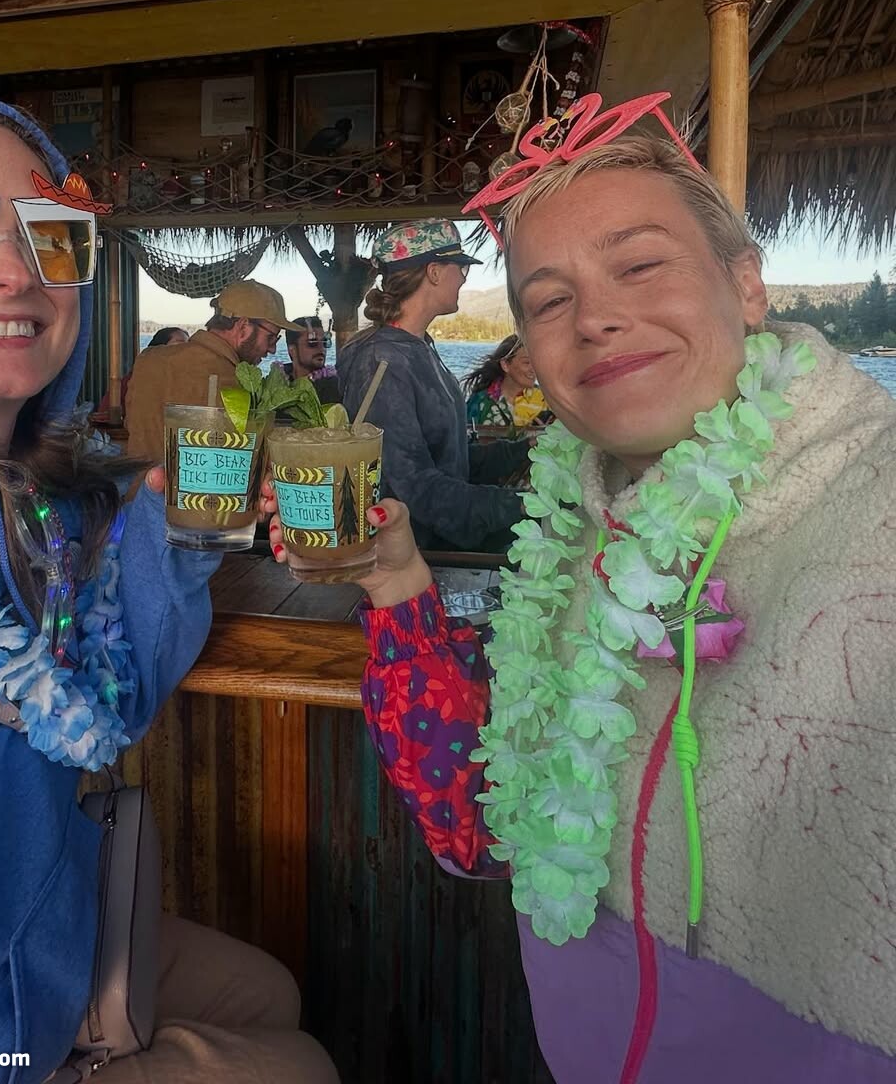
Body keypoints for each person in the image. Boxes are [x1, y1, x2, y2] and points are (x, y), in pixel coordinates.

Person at [273, 118, 896, 1082]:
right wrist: (398, 585)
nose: (595, 318)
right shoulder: (575, 532)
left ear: (746, 283)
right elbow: (485, 828)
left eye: (639, 265)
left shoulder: (874, 510)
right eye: (549, 300)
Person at [0, 92, 338, 1084]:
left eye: (51, 236)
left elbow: (100, 709)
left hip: (48, 958)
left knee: (270, 995)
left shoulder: (53, 515)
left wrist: (180, 534)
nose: (13, 271)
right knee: (303, 1063)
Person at [336, 220, 528, 553]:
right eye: (461, 268)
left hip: (435, 549)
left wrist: (525, 451)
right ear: (435, 272)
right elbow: (409, 486)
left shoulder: (418, 347)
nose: (464, 278)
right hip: (411, 557)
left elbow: (447, 459)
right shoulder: (381, 360)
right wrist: (517, 506)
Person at [125, 280, 297, 464]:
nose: (272, 349)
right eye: (271, 337)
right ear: (243, 327)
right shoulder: (234, 382)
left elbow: (130, 425)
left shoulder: (148, 359)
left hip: (140, 482)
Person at [463, 334, 553, 429]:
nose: (534, 368)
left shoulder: (548, 401)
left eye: (536, 362)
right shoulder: (481, 402)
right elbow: (462, 435)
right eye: (527, 363)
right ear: (505, 365)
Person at [97, 327, 189, 419]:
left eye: (187, 346)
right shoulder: (135, 380)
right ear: (158, 348)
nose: (185, 350)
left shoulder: (187, 379)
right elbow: (105, 414)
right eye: (179, 345)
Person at [282, 315, 341, 406]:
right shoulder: (277, 384)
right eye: (312, 343)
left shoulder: (334, 387)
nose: (321, 349)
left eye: (325, 342)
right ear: (292, 350)